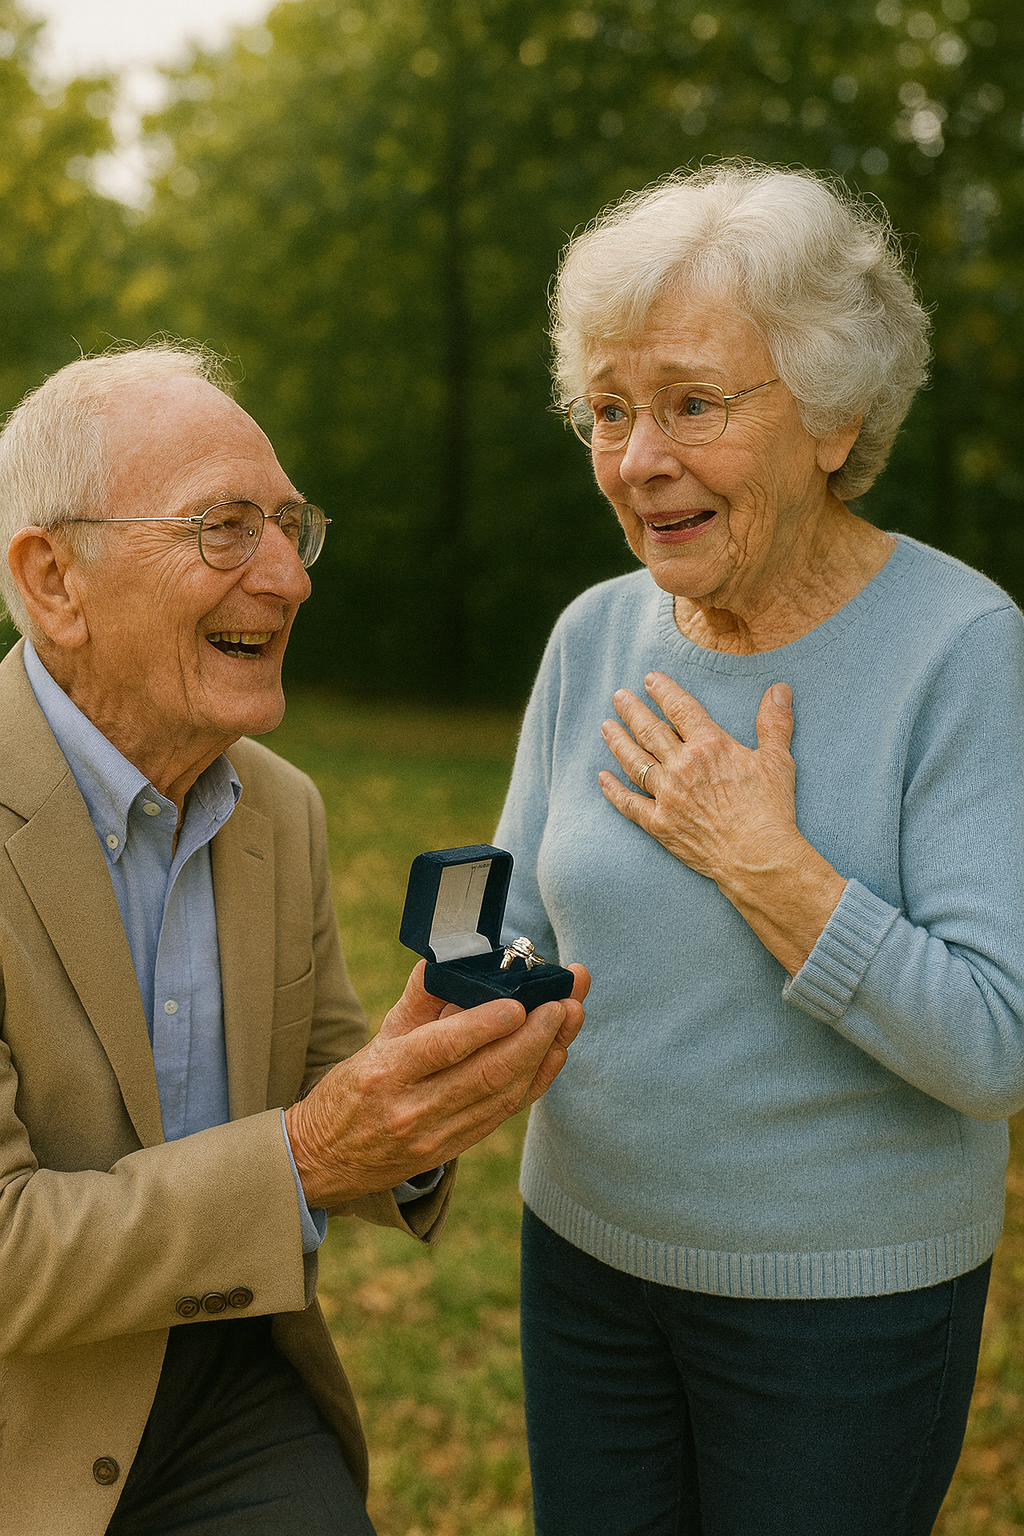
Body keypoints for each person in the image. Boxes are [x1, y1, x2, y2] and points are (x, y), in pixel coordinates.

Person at [494, 162, 1024, 1535]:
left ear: (835, 417)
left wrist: (763, 861)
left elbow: (993, 1045)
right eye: (607, 411)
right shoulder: (595, 634)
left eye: (689, 403)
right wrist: (470, 1004)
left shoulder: (963, 651)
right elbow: (518, 929)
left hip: (841, 1318)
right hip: (583, 1268)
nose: (636, 458)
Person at [0, 344, 587, 1536]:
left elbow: (325, 1089)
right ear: (54, 579)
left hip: (235, 1382)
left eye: (288, 524)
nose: (288, 577)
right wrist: (316, 1153)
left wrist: (412, 1108)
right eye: (223, 527)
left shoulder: (278, 806)